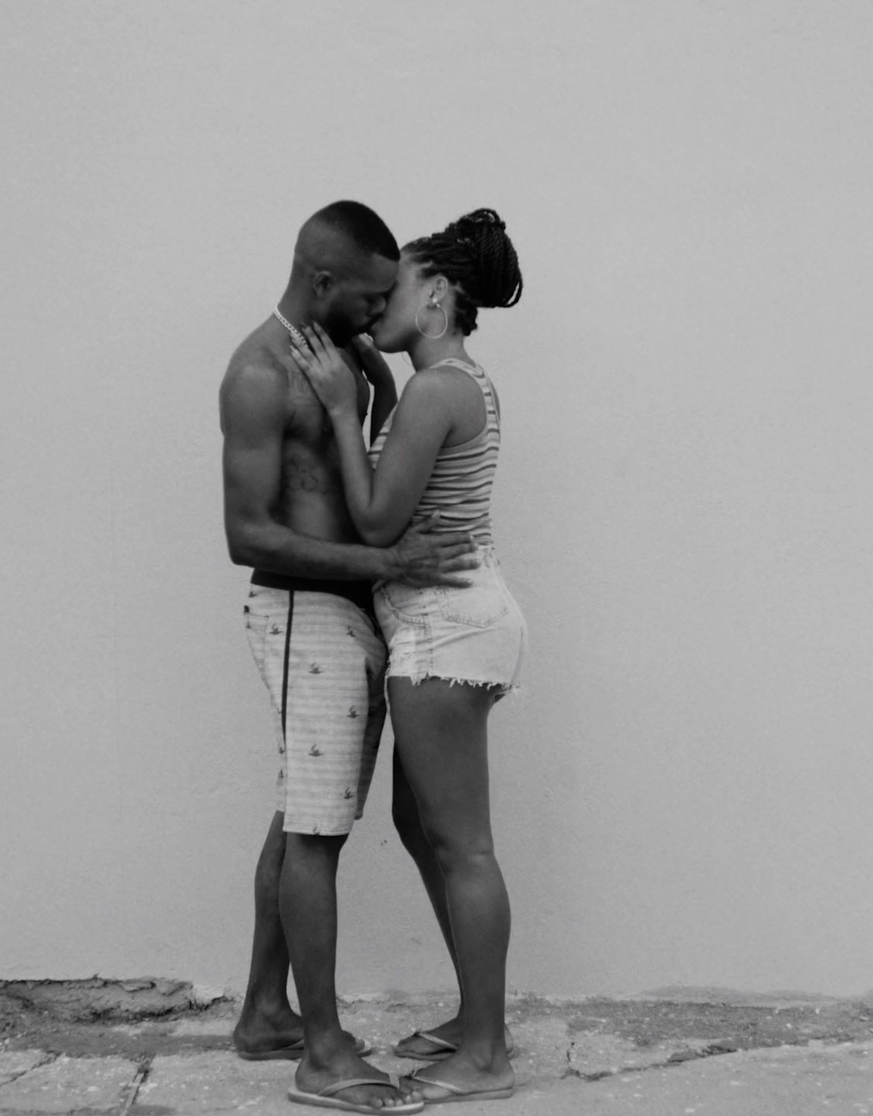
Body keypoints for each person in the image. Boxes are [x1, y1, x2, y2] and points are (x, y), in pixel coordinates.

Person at [220, 200, 477, 1113]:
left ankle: (264, 1014)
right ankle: (322, 1051)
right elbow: (246, 534)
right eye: (368, 298)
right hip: (300, 615)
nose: (380, 315)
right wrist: (386, 563)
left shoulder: (347, 359)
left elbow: (362, 473)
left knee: (300, 816)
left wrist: (371, 380)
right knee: (318, 834)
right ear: (322, 282)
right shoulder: (258, 373)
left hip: (348, 610)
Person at [289, 209, 527, 1106]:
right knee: (424, 829)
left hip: (445, 630)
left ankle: (488, 1054)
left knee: (462, 846)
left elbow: (378, 522)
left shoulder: (437, 389)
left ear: (436, 297)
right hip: (450, 621)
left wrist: (346, 413)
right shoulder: (449, 383)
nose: (380, 300)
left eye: (397, 287)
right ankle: (477, 1021)